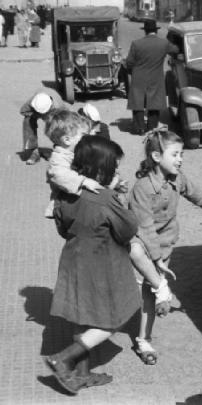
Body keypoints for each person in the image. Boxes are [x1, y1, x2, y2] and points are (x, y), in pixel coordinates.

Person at [128, 129, 202, 364]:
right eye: (175, 154)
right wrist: (156, 259)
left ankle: (147, 326)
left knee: (151, 289)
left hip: (165, 242)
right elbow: (145, 226)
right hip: (143, 241)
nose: (180, 159)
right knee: (149, 284)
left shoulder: (178, 179)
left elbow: (201, 197)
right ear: (157, 157)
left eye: (182, 155)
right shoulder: (142, 188)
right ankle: (144, 339)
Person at [44, 136, 140, 395]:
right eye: (115, 167)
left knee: (82, 318)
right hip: (100, 268)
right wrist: (119, 198)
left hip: (73, 262)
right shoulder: (105, 198)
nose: (118, 172)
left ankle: (82, 375)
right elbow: (128, 229)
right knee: (112, 320)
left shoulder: (67, 192)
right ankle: (63, 359)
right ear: (101, 169)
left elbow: (62, 227)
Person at [43, 110, 103, 219]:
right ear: (67, 140)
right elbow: (59, 175)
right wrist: (83, 181)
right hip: (64, 204)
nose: (88, 138)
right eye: (84, 135)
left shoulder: (75, 151)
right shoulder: (57, 159)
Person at [124, 20, 179, 135]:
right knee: (154, 103)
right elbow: (176, 50)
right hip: (155, 78)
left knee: (138, 103)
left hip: (139, 78)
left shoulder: (136, 43)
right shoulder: (163, 43)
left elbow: (129, 63)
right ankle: (151, 128)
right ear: (156, 31)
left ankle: (140, 128)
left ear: (145, 31)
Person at [20, 88, 65, 165]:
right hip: (36, 110)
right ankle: (34, 152)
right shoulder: (32, 102)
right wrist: (37, 115)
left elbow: (67, 121)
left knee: (59, 127)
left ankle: (59, 151)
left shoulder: (59, 106)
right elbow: (23, 111)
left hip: (54, 113)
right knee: (27, 121)